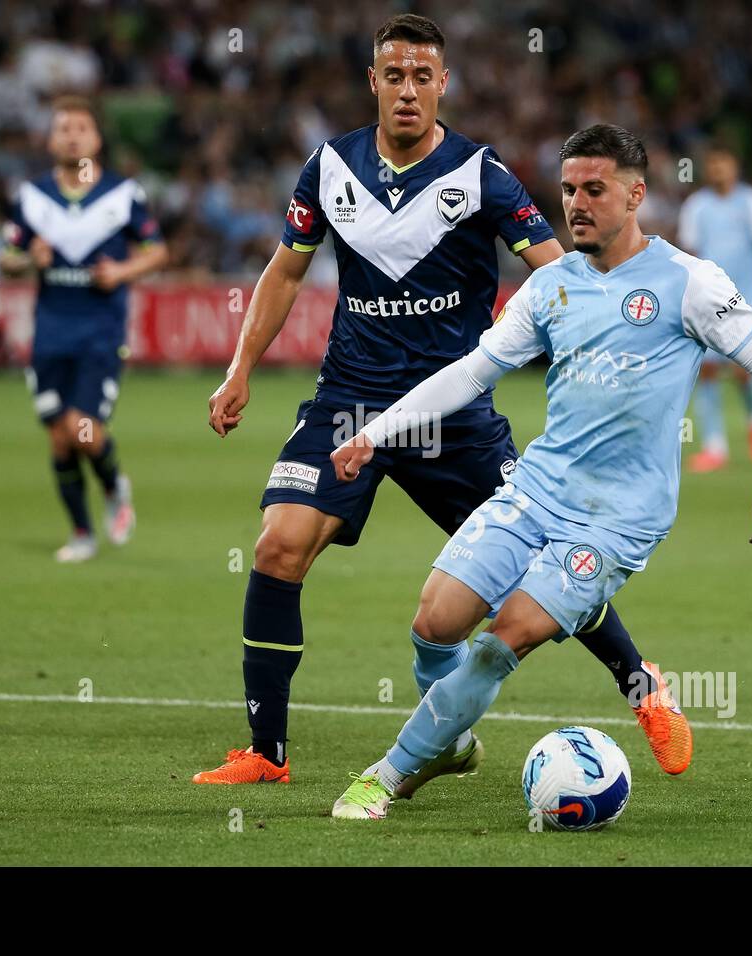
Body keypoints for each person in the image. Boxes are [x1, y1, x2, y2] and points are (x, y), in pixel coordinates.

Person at [195, 15, 666, 790]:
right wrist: (241, 367)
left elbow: (555, 273)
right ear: (373, 83)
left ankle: (642, 686)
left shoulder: (482, 175)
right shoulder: (329, 167)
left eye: (423, 77)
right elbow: (285, 271)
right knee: (280, 546)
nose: (408, 90)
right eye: (394, 76)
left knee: (539, 570)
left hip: (454, 410)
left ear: (444, 84)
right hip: (352, 402)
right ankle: (265, 751)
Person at [325, 124, 752, 821]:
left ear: (636, 195)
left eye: (594, 189)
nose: (576, 203)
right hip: (538, 492)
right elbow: (471, 372)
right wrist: (375, 433)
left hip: (619, 517)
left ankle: (390, 774)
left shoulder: (689, 282)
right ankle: (460, 737)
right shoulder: (550, 287)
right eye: (569, 189)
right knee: (433, 624)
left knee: (499, 643)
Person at [0, 97, 169, 562]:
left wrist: (121, 273)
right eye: (63, 128)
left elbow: (157, 251)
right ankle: (81, 533)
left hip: (101, 332)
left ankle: (115, 486)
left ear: (96, 139)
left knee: (83, 428)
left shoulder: (122, 196)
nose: (72, 135)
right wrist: (25, 259)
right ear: (50, 140)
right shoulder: (31, 198)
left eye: (81, 127)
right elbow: (6, 256)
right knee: (59, 437)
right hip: (50, 333)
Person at [679, 143, 752, 471]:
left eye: (723, 162)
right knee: (707, 370)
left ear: (735, 166)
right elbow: (687, 257)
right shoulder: (696, 206)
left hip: (746, 297)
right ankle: (714, 445)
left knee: (743, 370)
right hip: (707, 300)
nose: (717, 169)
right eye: (712, 164)